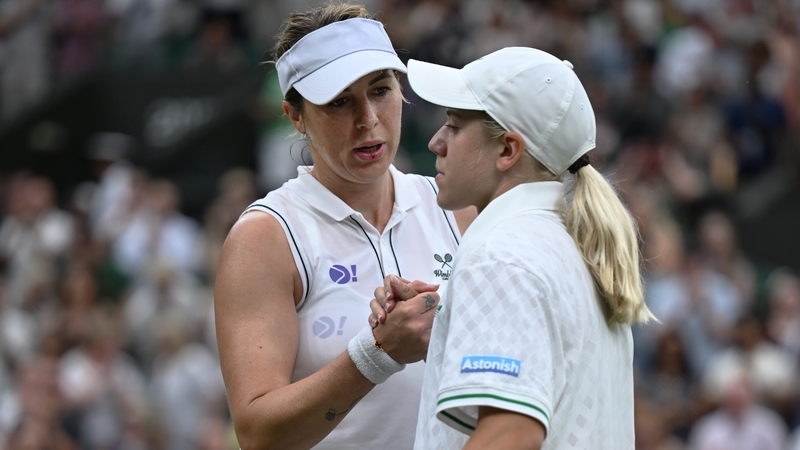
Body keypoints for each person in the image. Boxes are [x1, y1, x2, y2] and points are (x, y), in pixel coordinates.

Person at [213, 3, 475, 449]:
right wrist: (378, 354)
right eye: (339, 101)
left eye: (380, 90)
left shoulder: (457, 207)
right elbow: (258, 435)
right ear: (295, 115)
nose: (368, 119)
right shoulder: (264, 238)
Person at [372, 47, 657, 449]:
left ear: (507, 150)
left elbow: (512, 434)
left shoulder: (499, 255)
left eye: (454, 125)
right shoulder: (572, 249)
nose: (437, 141)